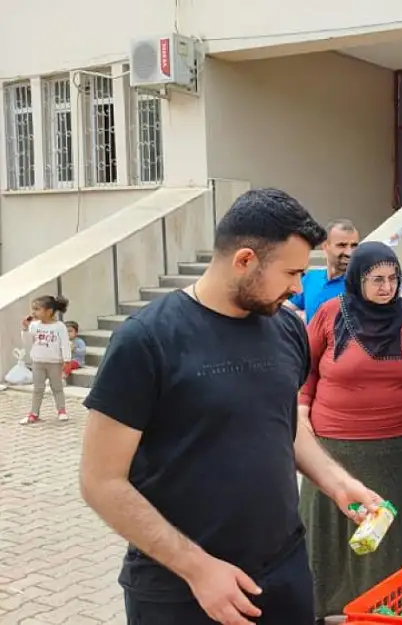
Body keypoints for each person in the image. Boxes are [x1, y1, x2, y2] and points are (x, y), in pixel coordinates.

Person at [79, 188, 383, 625]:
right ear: (244, 261)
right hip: (180, 591)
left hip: (283, 574)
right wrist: (198, 569)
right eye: (291, 273)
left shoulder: (285, 329)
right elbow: (100, 481)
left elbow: (284, 423)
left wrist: (335, 481)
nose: (299, 287)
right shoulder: (147, 340)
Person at [297, 241, 402, 620]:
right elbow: (306, 368)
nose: (387, 287)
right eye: (376, 279)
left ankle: (396, 607)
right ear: (356, 279)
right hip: (335, 450)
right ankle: (327, 604)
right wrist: (301, 407)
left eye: (393, 278)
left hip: (399, 451)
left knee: (397, 534)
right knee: (332, 533)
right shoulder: (330, 314)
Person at [285, 219, 360, 322]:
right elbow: (284, 311)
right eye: (342, 245)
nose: (349, 253)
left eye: (354, 246)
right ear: (325, 246)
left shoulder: (360, 284)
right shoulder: (311, 278)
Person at [20, 295, 71, 424]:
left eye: (37, 309)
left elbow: (65, 343)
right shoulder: (34, 326)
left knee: (57, 387)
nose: (33, 312)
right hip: (37, 362)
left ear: (49, 311)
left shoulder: (59, 327)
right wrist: (25, 328)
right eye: (33, 309)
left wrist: (67, 359)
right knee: (38, 388)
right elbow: (27, 342)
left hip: (54, 362)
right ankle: (34, 413)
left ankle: (62, 410)